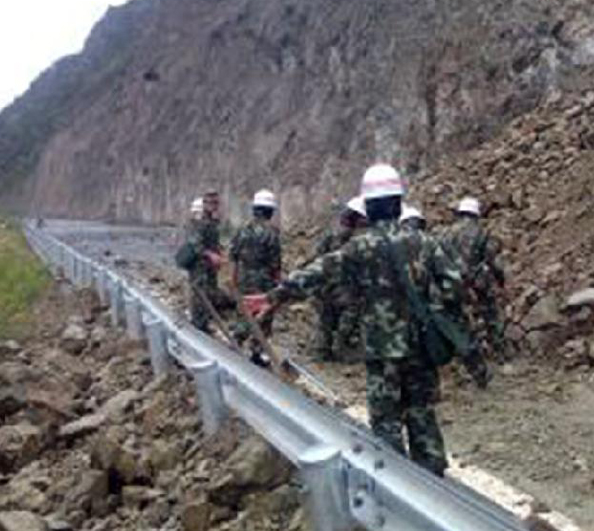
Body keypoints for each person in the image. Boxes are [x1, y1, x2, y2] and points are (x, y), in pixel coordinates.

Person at [245, 164, 463, 476]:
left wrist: (274, 296)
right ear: (399, 204)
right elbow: (454, 285)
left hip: (381, 347)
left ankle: (398, 485)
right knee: (421, 411)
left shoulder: (359, 247)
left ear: (369, 208)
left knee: (387, 419)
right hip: (421, 346)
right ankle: (434, 482)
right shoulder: (425, 242)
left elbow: (318, 273)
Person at [441, 196, 506, 358]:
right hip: (478, 282)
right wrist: (500, 279)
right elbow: (492, 259)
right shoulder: (482, 233)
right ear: (476, 214)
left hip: (453, 283)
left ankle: (463, 354)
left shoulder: (447, 233)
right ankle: (498, 350)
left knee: (457, 318)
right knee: (490, 315)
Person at [229, 189, 282, 365]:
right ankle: (256, 352)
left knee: (245, 310)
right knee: (264, 315)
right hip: (264, 281)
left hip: (244, 278)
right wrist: (278, 284)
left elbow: (234, 257)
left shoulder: (242, 230)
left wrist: (233, 279)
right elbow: (275, 264)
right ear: (269, 211)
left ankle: (236, 339)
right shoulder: (272, 233)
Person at [313, 196, 369, 361]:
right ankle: (341, 349)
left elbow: (317, 257)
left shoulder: (331, 235)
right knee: (347, 319)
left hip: (327, 286)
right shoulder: (356, 240)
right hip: (346, 289)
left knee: (325, 320)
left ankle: (322, 351)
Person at [177, 190, 234, 332]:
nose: (213, 205)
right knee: (199, 294)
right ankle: (198, 325)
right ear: (204, 203)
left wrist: (219, 253)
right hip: (199, 265)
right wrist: (211, 255)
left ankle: (204, 323)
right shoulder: (198, 222)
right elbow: (196, 245)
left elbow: (213, 242)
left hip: (209, 266)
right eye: (210, 202)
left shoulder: (213, 222)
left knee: (209, 293)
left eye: (215, 202)